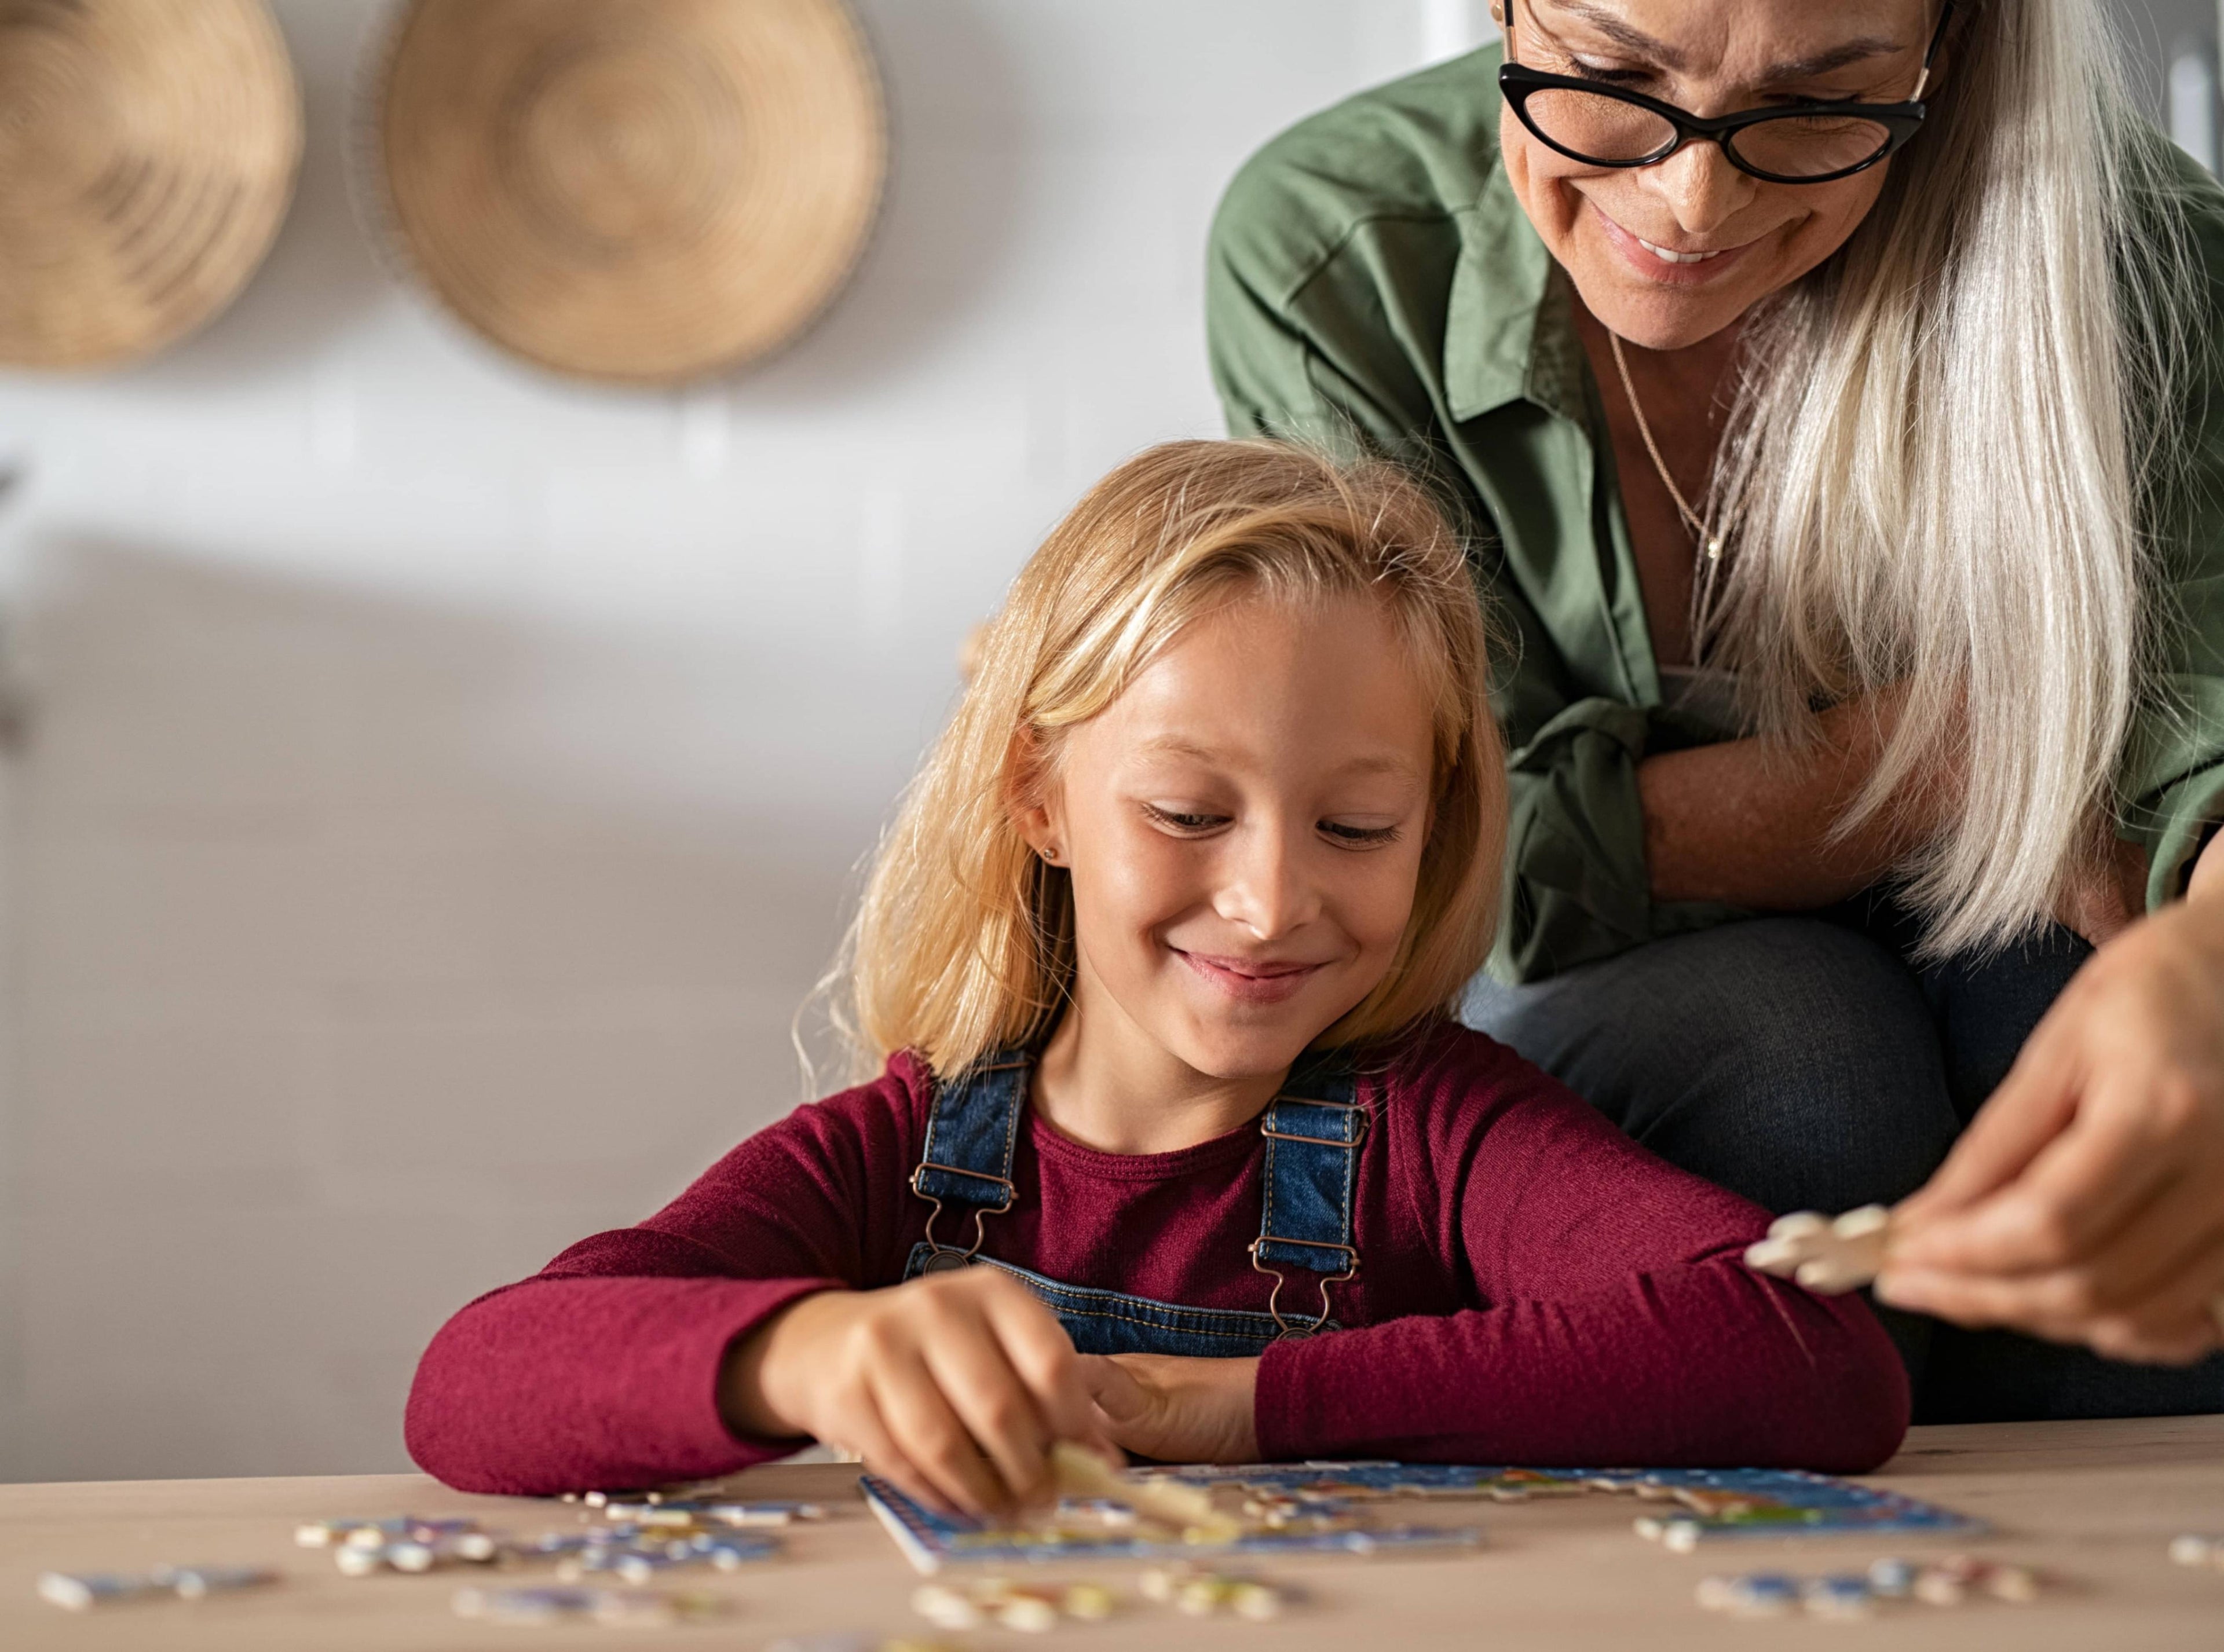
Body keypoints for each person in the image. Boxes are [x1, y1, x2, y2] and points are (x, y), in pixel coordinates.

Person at [404, 441, 1907, 1507]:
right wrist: (809, 1349)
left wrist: (1250, 1404)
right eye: (1188, 813)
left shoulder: (1437, 1131)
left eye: (1358, 824)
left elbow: (1814, 1352)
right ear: (1038, 798)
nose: (1267, 899)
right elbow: (470, 1383)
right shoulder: (906, 1157)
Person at [1206, 0, 2224, 1420]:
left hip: (2002, 919)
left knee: (2089, 1067)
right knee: (1805, 1065)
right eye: (1616, 75)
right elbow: (1438, 848)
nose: (1696, 200)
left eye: (1824, 102)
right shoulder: (1336, 250)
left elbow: (2194, 752)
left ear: (1951, 54)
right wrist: (1940, 766)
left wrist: (2203, 973)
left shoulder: (2146, 251)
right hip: (1611, 964)